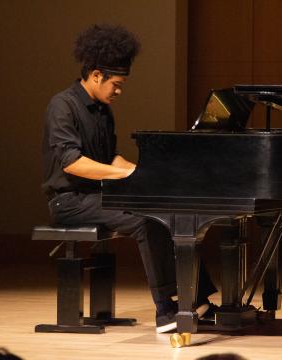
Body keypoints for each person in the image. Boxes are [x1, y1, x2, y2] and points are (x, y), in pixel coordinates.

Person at [41, 24, 217, 333]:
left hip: (98, 197)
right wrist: (129, 174)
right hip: (68, 201)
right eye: (116, 84)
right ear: (97, 75)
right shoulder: (62, 106)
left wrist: (143, 174)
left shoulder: (102, 110)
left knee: (169, 211)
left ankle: (197, 299)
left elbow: (110, 157)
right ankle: (165, 309)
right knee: (145, 220)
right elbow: (73, 164)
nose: (119, 91)